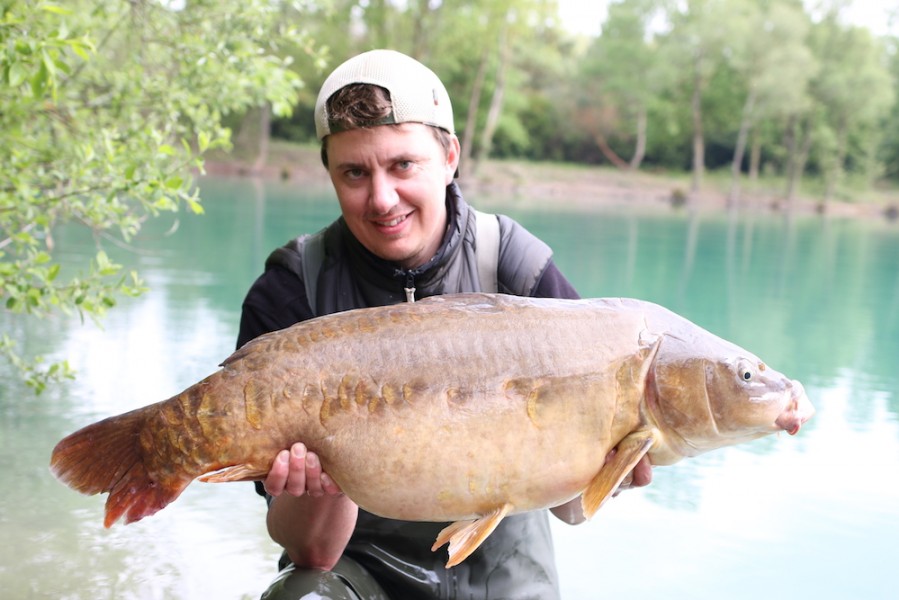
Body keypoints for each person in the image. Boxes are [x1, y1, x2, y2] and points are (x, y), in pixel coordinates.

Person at [236, 49, 652, 600]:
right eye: (355, 173)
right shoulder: (294, 290)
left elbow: (572, 510)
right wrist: (326, 470)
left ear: (450, 155)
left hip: (505, 570)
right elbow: (311, 554)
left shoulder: (517, 268)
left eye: (402, 165)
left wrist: (614, 467)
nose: (382, 199)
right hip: (357, 569)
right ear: (330, 173)